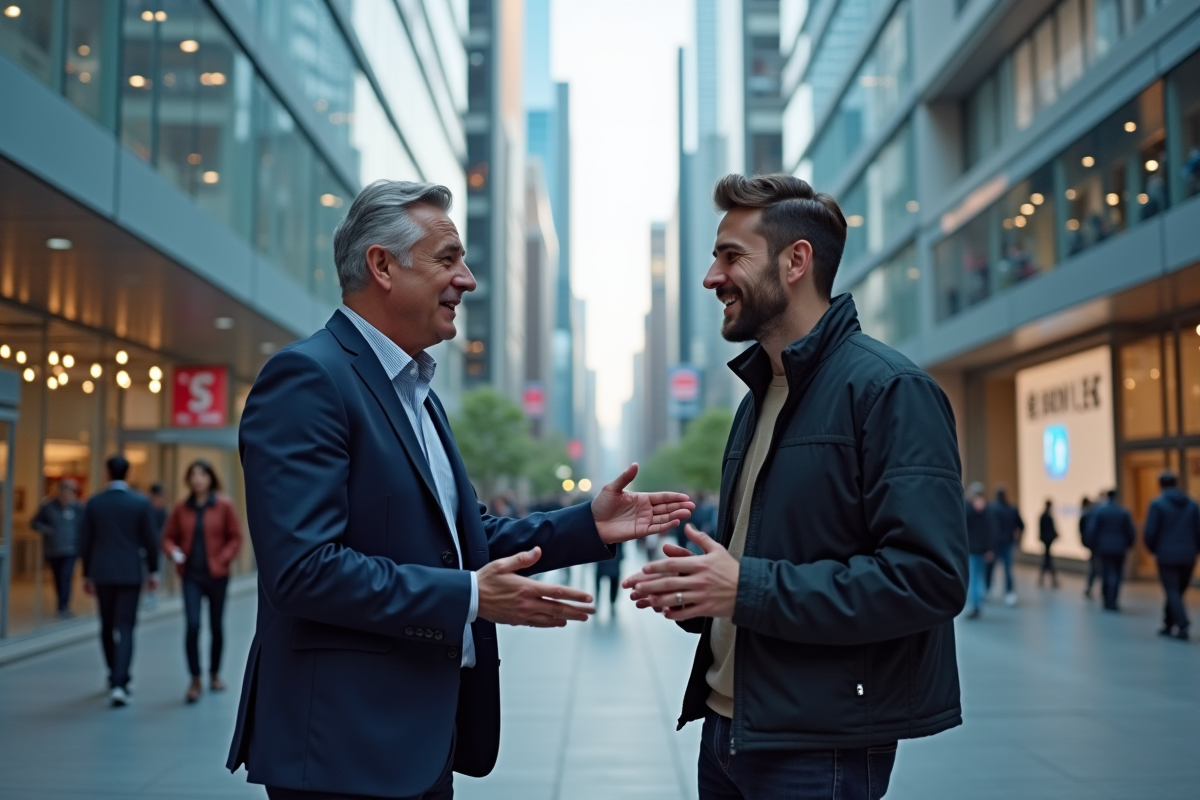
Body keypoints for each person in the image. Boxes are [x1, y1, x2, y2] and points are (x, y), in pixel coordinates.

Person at [226, 179, 694, 800]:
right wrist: (471, 597)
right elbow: (305, 571)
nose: (468, 280)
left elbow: (464, 535)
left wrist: (589, 524)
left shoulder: (418, 392)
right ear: (382, 266)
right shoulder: (308, 380)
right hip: (345, 749)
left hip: (418, 740)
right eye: (447, 259)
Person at [624, 174, 967, 799]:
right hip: (728, 730)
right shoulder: (757, 399)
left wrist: (744, 587)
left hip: (819, 746)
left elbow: (929, 578)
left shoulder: (890, 390)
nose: (711, 278)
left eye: (731, 257)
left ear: (795, 262)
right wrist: (702, 596)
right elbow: (760, 569)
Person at [77, 455, 159, 707]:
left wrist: (86, 573)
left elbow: (86, 541)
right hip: (130, 572)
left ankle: (114, 673)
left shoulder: (95, 503)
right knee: (125, 627)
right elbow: (150, 539)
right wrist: (153, 571)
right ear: (128, 473)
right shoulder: (140, 503)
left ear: (106, 473)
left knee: (106, 625)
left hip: (102, 572)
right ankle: (121, 682)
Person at [162, 460, 243, 703]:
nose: (197, 479)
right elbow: (168, 537)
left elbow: (236, 538)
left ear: (210, 478)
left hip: (217, 575)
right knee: (193, 625)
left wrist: (223, 559)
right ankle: (195, 678)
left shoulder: (223, 505)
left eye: (202, 474)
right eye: (193, 474)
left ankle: (215, 674)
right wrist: (173, 552)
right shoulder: (181, 508)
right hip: (191, 576)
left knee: (216, 626)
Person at [1143, 471, 1200, 640]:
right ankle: (1168, 623)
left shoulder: (1158, 504)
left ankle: (1182, 623)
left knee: (1172, 590)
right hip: (1188, 554)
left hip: (1166, 554)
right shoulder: (1192, 504)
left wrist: (1155, 550)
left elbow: (1150, 532)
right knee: (1177, 591)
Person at [31, 478, 83, 618]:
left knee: (66, 576)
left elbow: (83, 527)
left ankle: (64, 606)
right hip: (54, 549)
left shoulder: (77, 508)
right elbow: (35, 523)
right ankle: (61, 603)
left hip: (71, 549)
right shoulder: (48, 507)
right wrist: (47, 530)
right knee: (58, 577)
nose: (68, 495)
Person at [1086, 489, 1135, 612]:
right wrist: (1128, 545)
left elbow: (1092, 531)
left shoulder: (1100, 512)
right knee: (1117, 574)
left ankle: (1107, 599)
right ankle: (1113, 600)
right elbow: (1130, 532)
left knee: (1106, 573)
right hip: (1120, 548)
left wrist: (1093, 546)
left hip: (1103, 548)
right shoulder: (1123, 512)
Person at [987, 487, 1024, 606]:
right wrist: (1018, 539)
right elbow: (1021, 525)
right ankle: (1008, 592)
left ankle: (989, 589)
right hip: (1003, 543)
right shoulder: (1009, 509)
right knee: (1004, 568)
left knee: (993, 567)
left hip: (998, 543)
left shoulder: (992, 508)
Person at [964, 482, 995, 619]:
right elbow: (991, 530)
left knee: (974, 578)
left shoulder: (968, 509)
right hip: (981, 549)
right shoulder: (986, 510)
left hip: (973, 549)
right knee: (979, 577)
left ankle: (975, 605)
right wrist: (990, 548)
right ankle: (978, 603)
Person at [143, 482, 168, 610]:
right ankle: (147, 595)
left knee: (158, 572)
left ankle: (153, 595)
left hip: (159, 547)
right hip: (147, 547)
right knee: (146, 572)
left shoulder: (163, 511)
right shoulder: (147, 510)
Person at [595, 542, 624, 618]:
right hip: (611, 555)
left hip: (607, 555)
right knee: (613, 580)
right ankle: (611, 603)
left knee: (609, 580)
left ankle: (605, 602)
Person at [1080, 496, 1098, 598]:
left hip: (1095, 546)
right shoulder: (1090, 515)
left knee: (1095, 567)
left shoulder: (1088, 515)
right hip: (1096, 546)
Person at [1038, 499, 1059, 588]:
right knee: (1048, 560)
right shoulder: (1046, 516)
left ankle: (1045, 578)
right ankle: (1052, 579)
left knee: (1047, 560)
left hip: (1046, 540)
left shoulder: (1044, 516)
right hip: (1047, 540)